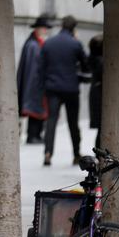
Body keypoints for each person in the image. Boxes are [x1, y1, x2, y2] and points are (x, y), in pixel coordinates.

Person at [40, 15, 88, 166]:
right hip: (71, 88)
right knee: (73, 122)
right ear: (74, 28)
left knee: (51, 120)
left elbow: (41, 66)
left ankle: (48, 153)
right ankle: (76, 153)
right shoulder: (76, 44)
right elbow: (85, 64)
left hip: (52, 87)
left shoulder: (49, 43)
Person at [18, 16, 50, 144]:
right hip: (34, 83)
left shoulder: (36, 43)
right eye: (44, 28)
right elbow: (32, 68)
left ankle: (36, 134)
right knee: (34, 109)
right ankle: (33, 135)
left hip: (37, 83)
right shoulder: (33, 45)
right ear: (37, 29)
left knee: (39, 108)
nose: (45, 31)